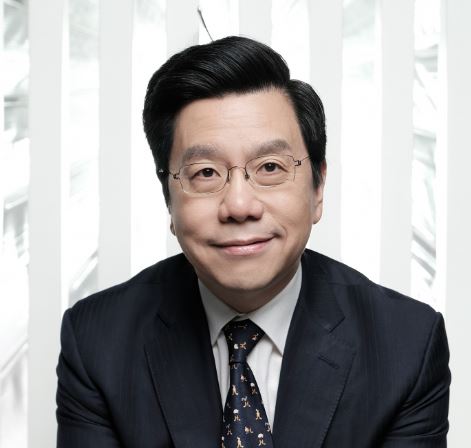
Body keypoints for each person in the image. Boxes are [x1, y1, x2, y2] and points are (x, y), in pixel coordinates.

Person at [56, 36, 450, 447]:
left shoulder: (405, 346)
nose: (239, 205)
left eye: (270, 167)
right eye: (205, 172)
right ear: (168, 199)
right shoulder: (98, 343)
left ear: (318, 188)